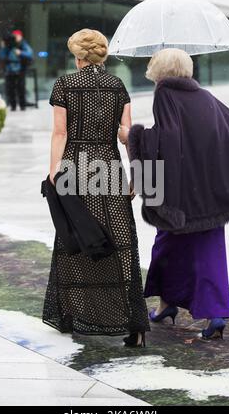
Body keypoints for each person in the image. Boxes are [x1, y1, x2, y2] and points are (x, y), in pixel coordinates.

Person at [123, 48, 229, 340]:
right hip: (208, 192)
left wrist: (134, 138)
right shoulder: (205, 96)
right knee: (207, 250)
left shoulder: (165, 94)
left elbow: (166, 140)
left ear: (160, 71)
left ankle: (169, 305)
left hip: (180, 195)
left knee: (166, 246)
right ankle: (205, 312)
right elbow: (224, 134)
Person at [43, 28, 150, 347]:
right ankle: (132, 323)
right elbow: (127, 133)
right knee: (118, 238)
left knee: (75, 235)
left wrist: (54, 170)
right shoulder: (118, 86)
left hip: (75, 165)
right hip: (109, 166)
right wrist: (136, 174)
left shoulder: (65, 84)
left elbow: (60, 133)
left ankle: (75, 313)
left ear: (78, 56)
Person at [0, 29, 33, 111]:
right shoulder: (8, 46)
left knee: (21, 88)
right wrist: (3, 48)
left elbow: (30, 54)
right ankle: (13, 105)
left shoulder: (23, 44)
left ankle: (22, 105)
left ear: (21, 36)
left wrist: (20, 53)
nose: (15, 38)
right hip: (9, 70)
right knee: (10, 88)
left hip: (21, 70)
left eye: (17, 36)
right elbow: (2, 56)